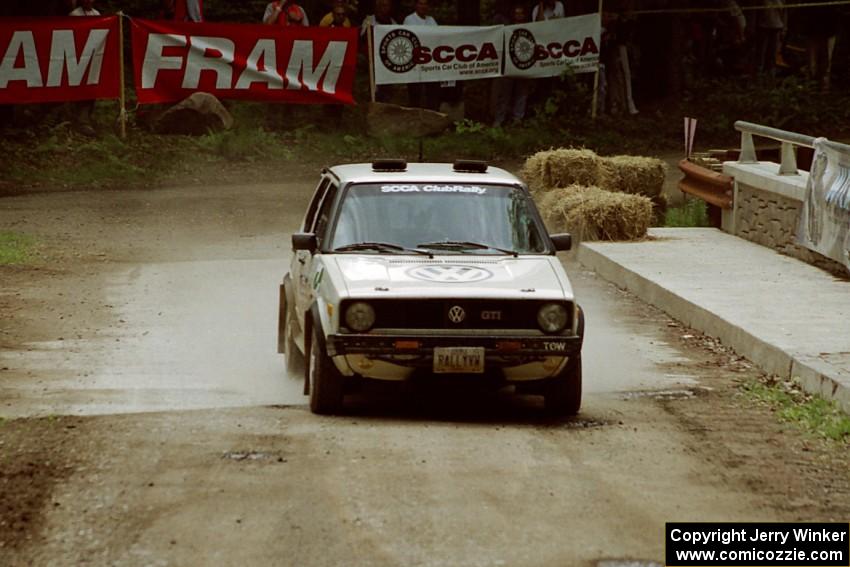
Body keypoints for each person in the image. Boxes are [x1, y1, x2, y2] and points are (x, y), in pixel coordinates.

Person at [490, 5, 532, 126]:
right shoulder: (506, 29)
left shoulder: (530, 28)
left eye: (521, 13)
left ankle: (517, 118)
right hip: (508, 65)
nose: (519, 16)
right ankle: (499, 119)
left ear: (524, 15)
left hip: (524, 64)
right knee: (504, 94)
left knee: (522, 92)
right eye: (516, 13)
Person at [69, 0, 100, 136]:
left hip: (92, 58)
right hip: (77, 58)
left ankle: (87, 117)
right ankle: (80, 121)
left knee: (91, 87)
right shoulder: (74, 14)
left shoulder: (96, 14)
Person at [403, 0, 440, 110]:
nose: (423, 6)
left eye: (426, 3)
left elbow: (438, 35)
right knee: (415, 91)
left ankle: (432, 113)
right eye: (421, 3)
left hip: (430, 61)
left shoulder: (431, 20)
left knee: (432, 90)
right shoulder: (409, 19)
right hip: (415, 62)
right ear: (416, 5)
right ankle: (414, 116)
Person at [754, 0, 786, 76]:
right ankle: (758, 72)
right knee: (761, 52)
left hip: (777, 27)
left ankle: (771, 72)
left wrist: (784, 29)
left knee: (773, 52)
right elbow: (756, 12)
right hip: (763, 27)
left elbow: (784, 14)